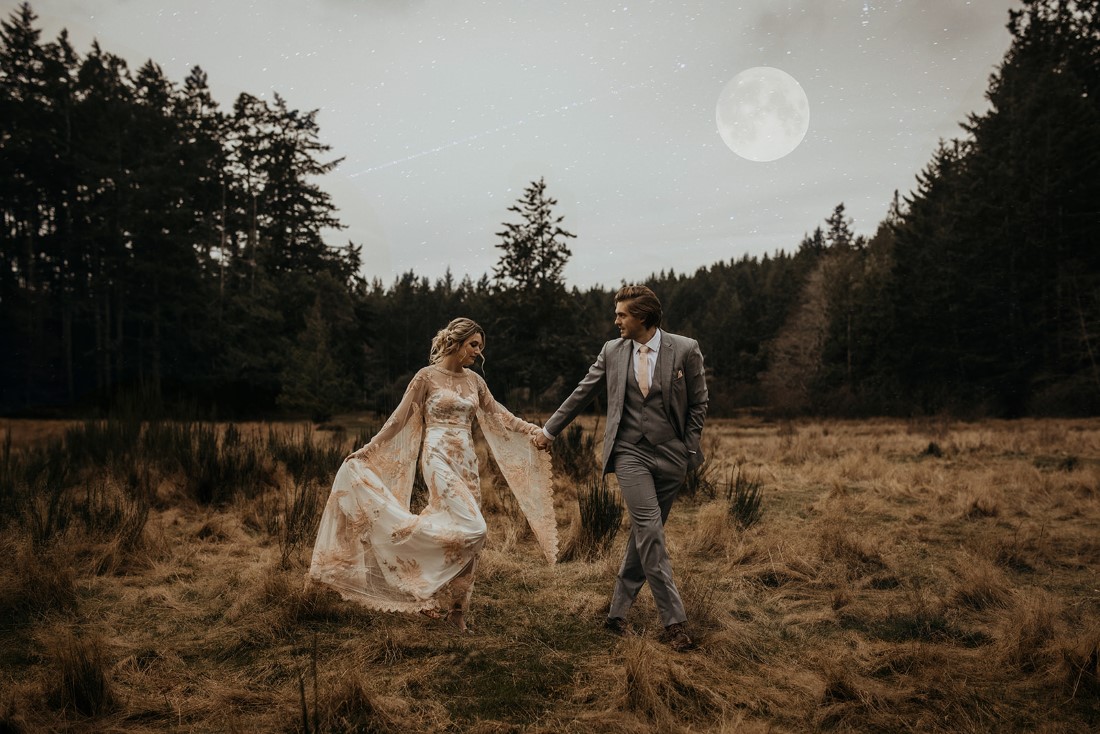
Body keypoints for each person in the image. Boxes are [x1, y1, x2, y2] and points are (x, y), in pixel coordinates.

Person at [308, 318, 557, 632]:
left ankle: (456, 612)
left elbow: (497, 412)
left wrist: (532, 430)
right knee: (475, 528)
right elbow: (399, 418)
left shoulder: (475, 382)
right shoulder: (426, 377)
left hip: (467, 462)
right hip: (437, 458)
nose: (478, 353)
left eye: (480, 346)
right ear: (455, 342)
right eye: (473, 345)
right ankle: (419, 584)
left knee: (462, 536)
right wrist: (369, 448)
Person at [533, 285, 708, 651]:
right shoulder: (612, 352)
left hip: (672, 456)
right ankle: (674, 623)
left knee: (646, 536)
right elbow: (583, 391)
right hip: (630, 453)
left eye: (622, 315)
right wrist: (550, 430)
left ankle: (616, 614)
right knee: (650, 530)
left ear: (642, 317)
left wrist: (688, 448)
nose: (616, 321)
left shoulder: (685, 349)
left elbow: (699, 403)